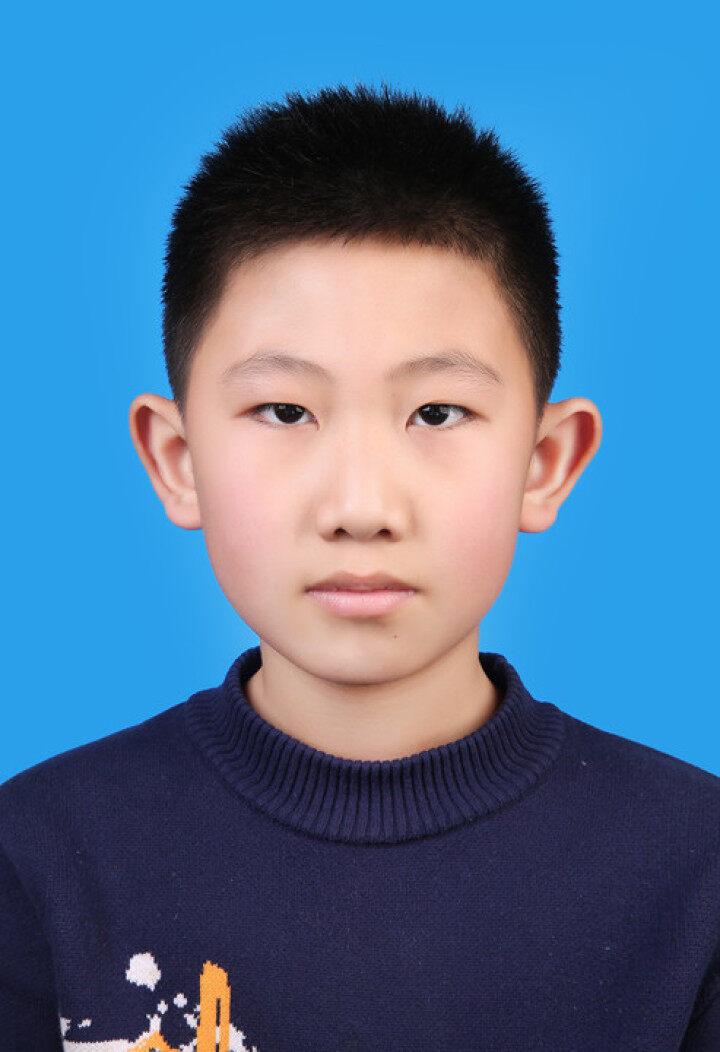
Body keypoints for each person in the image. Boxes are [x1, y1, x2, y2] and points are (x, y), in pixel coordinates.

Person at [1, 82, 718, 1052]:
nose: (361, 507)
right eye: (285, 411)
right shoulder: (39, 857)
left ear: (545, 463)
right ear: (178, 460)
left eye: (437, 413)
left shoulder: (695, 871)